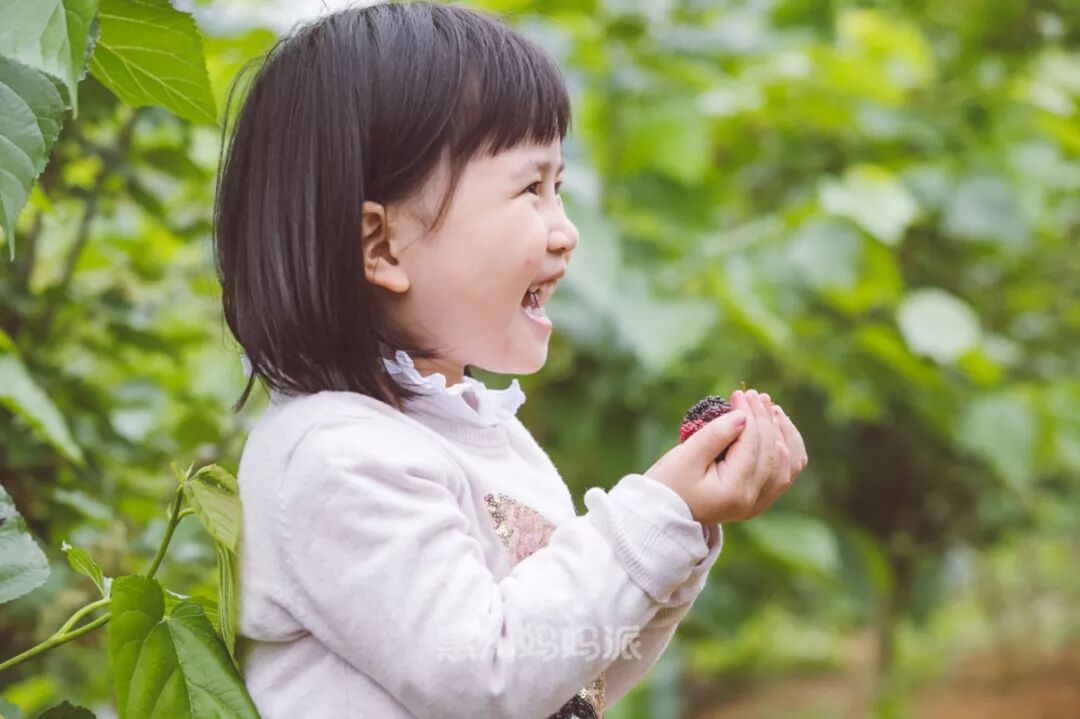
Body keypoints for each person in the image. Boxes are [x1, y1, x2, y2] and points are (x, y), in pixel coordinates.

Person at [212, 2, 808, 717]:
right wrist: (660, 513)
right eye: (531, 188)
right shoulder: (336, 457)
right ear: (381, 246)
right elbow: (488, 674)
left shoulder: (489, 439)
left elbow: (570, 681)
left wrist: (681, 528)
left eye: (559, 189)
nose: (566, 231)